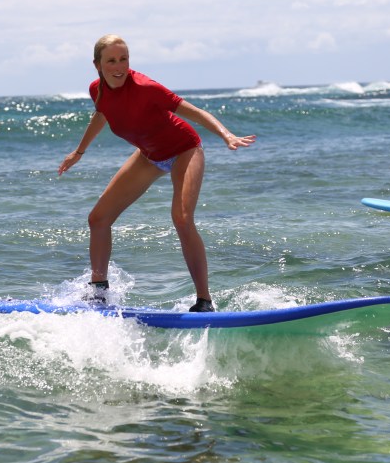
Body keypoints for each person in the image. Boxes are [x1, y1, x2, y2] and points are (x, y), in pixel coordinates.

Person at [58, 34, 256, 312]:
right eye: (111, 60)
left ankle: (204, 301)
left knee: (182, 218)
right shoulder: (98, 89)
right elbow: (102, 114)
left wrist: (227, 135)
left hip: (184, 149)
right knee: (98, 218)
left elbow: (194, 112)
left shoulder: (146, 87)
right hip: (149, 155)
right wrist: (79, 152)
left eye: (124, 59)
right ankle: (99, 293)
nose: (119, 66)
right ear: (97, 65)